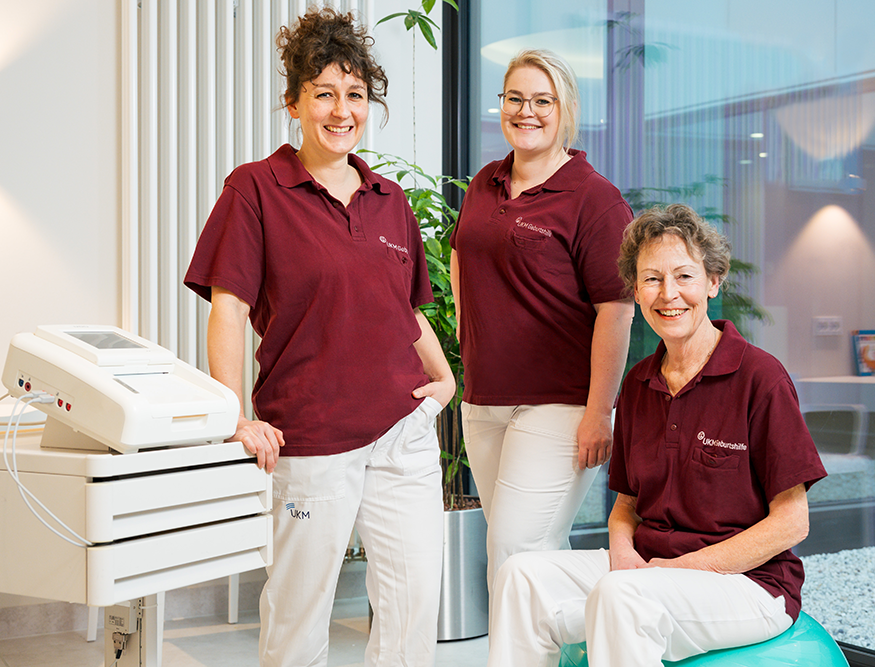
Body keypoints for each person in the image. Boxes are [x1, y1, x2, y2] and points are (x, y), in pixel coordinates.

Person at [183, 9, 454, 667]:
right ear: (295, 103)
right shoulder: (255, 188)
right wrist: (234, 416)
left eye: (355, 94)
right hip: (310, 436)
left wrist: (445, 379)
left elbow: (405, 309)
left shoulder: (389, 199)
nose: (341, 110)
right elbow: (229, 307)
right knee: (299, 615)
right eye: (324, 93)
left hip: (402, 432)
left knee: (414, 606)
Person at [487, 204, 828, 667]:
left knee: (621, 597)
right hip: (649, 566)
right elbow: (626, 505)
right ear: (636, 291)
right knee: (520, 575)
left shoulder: (760, 378)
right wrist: (625, 555)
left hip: (747, 583)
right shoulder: (638, 383)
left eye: (684, 276)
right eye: (651, 279)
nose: (669, 294)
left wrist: (675, 569)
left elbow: (792, 523)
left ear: (713, 282)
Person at [449, 49, 635, 596]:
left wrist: (599, 411)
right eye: (514, 98)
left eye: (542, 101)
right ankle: (591, 636)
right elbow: (461, 254)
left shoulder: (595, 199)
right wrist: (467, 331)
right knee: (535, 554)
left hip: (560, 405)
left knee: (515, 552)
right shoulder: (485, 182)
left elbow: (617, 309)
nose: (525, 111)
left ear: (566, 109)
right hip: (484, 400)